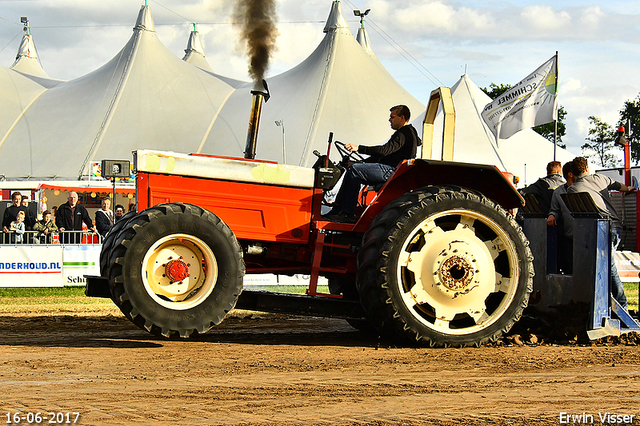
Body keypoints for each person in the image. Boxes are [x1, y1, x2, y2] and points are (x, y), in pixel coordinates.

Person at [324, 105, 421, 222]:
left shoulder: (404, 133)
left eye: (392, 117)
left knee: (355, 170)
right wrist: (360, 162)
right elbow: (381, 156)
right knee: (354, 169)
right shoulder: (406, 134)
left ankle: (347, 213)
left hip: (392, 170)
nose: (389, 119)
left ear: (402, 118)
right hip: (389, 168)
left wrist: (359, 148)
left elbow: (384, 151)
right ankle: (337, 210)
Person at [567, 156, 635, 310]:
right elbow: (621, 187)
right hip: (614, 226)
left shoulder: (572, 189)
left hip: (597, 229)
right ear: (586, 168)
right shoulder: (601, 178)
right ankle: (618, 304)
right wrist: (630, 189)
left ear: (573, 173)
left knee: (606, 266)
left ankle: (619, 304)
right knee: (608, 266)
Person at [547, 162, 576, 274]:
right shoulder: (558, 191)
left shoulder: (586, 188)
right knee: (568, 268)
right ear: (570, 174)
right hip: (568, 237)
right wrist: (552, 215)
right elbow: (555, 209)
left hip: (585, 238)